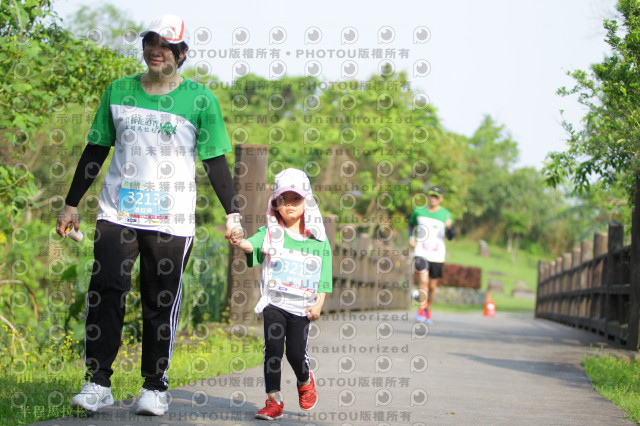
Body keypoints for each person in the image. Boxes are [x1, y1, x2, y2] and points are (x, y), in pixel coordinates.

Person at [55, 14, 241, 416]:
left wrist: (233, 213)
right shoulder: (119, 91)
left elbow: (215, 161)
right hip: (117, 211)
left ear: (182, 53)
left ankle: (155, 387)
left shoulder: (201, 99)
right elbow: (96, 149)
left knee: (160, 300)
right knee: (106, 290)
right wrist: (71, 202)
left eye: (166, 45)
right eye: (151, 42)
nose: (156, 50)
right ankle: (97, 382)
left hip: (171, 219)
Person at [229, 168, 332, 421]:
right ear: (275, 202)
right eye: (283, 199)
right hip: (274, 302)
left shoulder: (318, 240)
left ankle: (305, 380)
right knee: (273, 349)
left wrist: (318, 304)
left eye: (296, 199)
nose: (289, 204)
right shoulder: (270, 234)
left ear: (307, 201)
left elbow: (324, 276)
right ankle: (273, 400)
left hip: (302, 307)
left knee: (295, 353)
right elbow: (251, 245)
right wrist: (239, 240)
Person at [408, 185, 455, 323]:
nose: (433, 198)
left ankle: (428, 309)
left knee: (433, 286)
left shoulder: (446, 215)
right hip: (421, 251)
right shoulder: (419, 211)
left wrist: (449, 227)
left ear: (441, 199)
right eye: (431, 195)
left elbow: (451, 237)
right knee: (423, 281)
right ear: (428, 196)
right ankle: (421, 310)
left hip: (437, 254)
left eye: (436, 196)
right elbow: (411, 224)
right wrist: (411, 237)